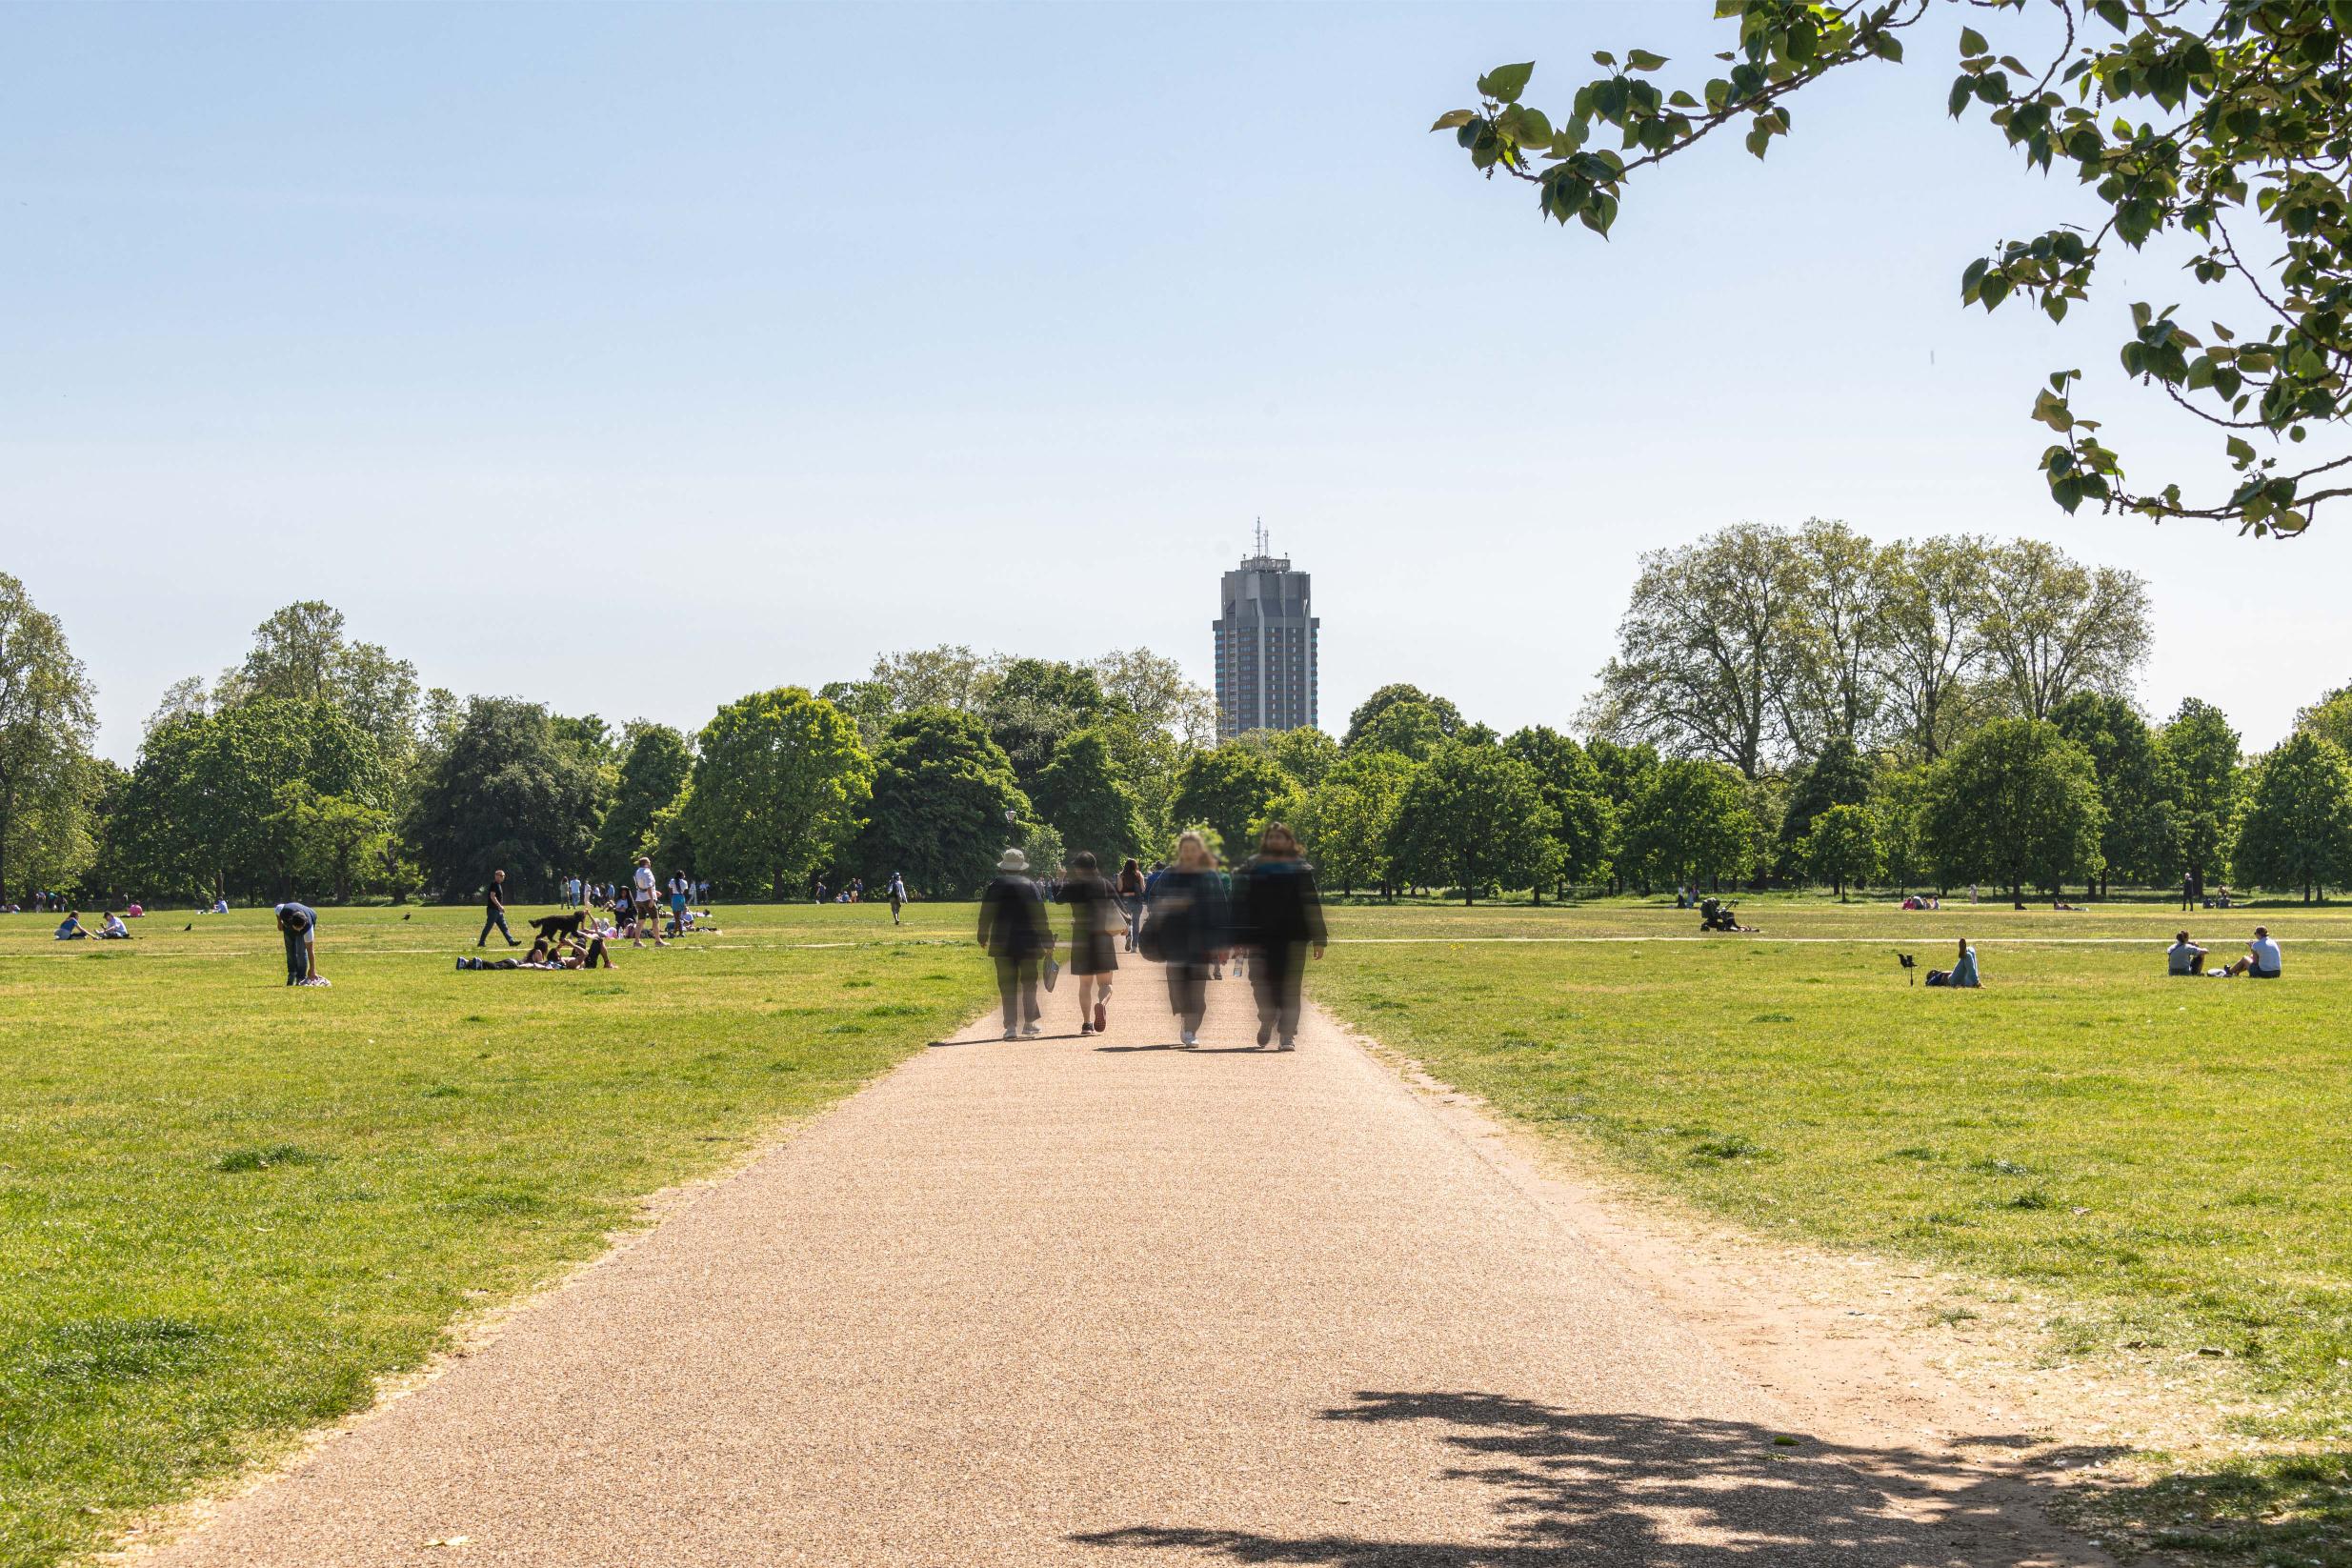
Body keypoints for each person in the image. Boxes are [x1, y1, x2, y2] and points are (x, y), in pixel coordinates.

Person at [1231, 823, 1328, 1052]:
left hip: (1292, 937)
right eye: (1271, 837)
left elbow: (1311, 904)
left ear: (1288, 841)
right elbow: (1240, 905)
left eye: (1280, 837)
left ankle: (1287, 1034)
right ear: (1266, 840)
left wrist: (1319, 939)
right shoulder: (1252, 867)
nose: (1275, 841)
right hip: (1259, 937)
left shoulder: (1301, 869)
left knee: (1291, 986)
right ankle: (1267, 1017)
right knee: (1258, 981)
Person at [1146, 832, 1228, 1047]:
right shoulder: (1169, 874)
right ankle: (1185, 1018)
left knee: (1198, 991)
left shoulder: (1210, 876)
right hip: (1174, 940)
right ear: (1180, 851)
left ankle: (1191, 1028)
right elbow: (1153, 899)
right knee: (1177, 985)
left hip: (1200, 942)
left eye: (1194, 849)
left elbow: (1221, 908)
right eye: (1186, 849)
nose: (1190, 853)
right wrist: (1167, 906)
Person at [976, 848, 1050, 1039]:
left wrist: (982, 935)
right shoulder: (1031, 886)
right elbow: (1040, 916)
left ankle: (1010, 1026)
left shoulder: (995, 886)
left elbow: (986, 913)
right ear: (1021, 866)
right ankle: (1029, 1023)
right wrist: (1047, 939)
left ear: (1004, 866)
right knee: (1029, 983)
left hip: (1002, 943)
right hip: (1028, 942)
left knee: (1007, 984)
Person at [1058, 851, 1121, 1035]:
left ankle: (1086, 1024)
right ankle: (1101, 1005)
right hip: (1102, 936)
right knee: (1106, 983)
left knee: (1085, 984)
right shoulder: (1104, 884)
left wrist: (1060, 879)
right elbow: (1119, 907)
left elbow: (1058, 898)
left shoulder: (1073, 886)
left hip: (1081, 936)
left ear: (1079, 868)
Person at [275, 901, 325, 986]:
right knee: (290, 952)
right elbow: (277, 908)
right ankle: (291, 975)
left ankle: (301, 978)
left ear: (304, 923)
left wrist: (312, 969)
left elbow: (310, 951)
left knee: (301, 952)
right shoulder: (284, 911)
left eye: (300, 928)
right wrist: (279, 923)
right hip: (288, 927)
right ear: (291, 922)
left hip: (307, 918)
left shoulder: (308, 928)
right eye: (297, 928)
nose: (298, 931)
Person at [2214, 926, 2282, 978]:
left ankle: (2230, 972)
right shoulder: (2274, 942)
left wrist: (2252, 947)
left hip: (2265, 974)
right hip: (2277, 973)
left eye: (2255, 933)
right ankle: (2237, 971)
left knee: (2244, 958)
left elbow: (2255, 962)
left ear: (2258, 934)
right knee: (2250, 957)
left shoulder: (2256, 945)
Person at [632, 856, 668, 949]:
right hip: (647, 899)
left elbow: (641, 886)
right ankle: (658, 941)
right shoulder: (647, 872)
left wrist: (655, 892)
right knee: (656, 920)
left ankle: (636, 942)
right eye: (649, 862)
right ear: (647, 863)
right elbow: (648, 886)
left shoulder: (637, 872)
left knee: (640, 921)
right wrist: (652, 898)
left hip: (639, 899)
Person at [478, 869, 519, 948]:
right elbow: (492, 896)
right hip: (493, 910)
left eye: (503, 876)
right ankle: (481, 942)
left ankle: (511, 942)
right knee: (488, 926)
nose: (503, 877)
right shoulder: (494, 884)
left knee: (504, 927)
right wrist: (500, 906)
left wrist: (499, 908)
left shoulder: (498, 885)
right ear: (496, 876)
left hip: (497, 911)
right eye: (501, 876)